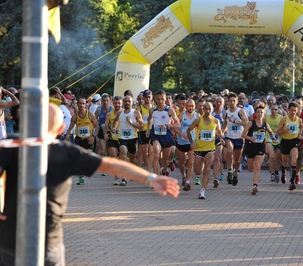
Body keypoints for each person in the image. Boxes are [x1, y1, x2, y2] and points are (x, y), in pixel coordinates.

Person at [0, 103, 180, 266]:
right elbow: (110, 164)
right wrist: (150, 178)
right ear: (61, 128)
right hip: (48, 241)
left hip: (12, 238)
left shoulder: (11, 146)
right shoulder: (66, 152)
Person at [187, 102, 223, 199]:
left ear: (212, 110)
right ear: (203, 110)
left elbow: (219, 132)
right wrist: (191, 141)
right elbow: (188, 130)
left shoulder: (216, 121)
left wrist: (221, 138)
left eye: (209, 109)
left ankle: (202, 190)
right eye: (205, 109)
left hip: (210, 148)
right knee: (198, 171)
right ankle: (198, 171)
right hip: (199, 148)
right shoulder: (198, 120)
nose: (207, 111)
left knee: (207, 169)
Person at [241, 106, 276, 195]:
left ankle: (255, 186)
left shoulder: (265, 124)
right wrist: (250, 138)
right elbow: (243, 135)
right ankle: (254, 176)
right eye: (258, 112)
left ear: (264, 114)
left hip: (260, 147)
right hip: (250, 147)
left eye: (261, 112)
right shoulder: (251, 123)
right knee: (250, 169)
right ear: (255, 114)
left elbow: (271, 132)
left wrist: (273, 138)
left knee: (257, 165)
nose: (259, 114)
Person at [66, 97, 99, 185]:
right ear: (77, 104)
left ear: (86, 105)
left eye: (83, 103)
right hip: (79, 139)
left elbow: (97, 127)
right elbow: (70, 128)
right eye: (80, 103)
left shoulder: (90, 115)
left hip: (88, 139)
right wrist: (68, 134)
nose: (82, 105)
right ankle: (81, 177)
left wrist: (93, 136)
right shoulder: (75, 117)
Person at [146, 90, 180, 176]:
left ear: (165, 99)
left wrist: (168, 125)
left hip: (166, 135)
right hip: (155, 135)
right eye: (158, 99)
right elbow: (149, 119)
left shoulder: (170, 110)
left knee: (165, 159)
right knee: (156, 155)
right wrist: (148, 129)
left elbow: (178, 124)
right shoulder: (152, 110)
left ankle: (164, 171)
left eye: (162, 99)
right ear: (155, 99)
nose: (160, 101)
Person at [113, 95, 144, 185]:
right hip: (122, 138)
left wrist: (131, 123)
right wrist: (114, 127)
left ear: (132, 103)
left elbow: (142, 126)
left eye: (129, 101)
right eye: (125, 101)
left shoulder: (136, 113)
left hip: (133, 138)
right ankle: (124, 178)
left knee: (132, 158)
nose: (127, 103)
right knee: (123, 154)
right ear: (123, 102)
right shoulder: (119, 113)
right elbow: (115, 120)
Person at [276, 101, 303, 191]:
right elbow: (277, 132)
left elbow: (301, 128)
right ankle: (283, 172)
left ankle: (292, 182)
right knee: (284, 162)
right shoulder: (284, 119)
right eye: (291, 110)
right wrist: (285, 131)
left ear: (297, 110)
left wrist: (300, 134)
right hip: (285, 141)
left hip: (294, 141)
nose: (293, 112)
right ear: (288, 110)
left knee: (293, 161)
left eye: (295, 110)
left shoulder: (299, 120)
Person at [222, 92, 248, 186]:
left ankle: (235, 173)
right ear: (228, 102)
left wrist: (235, 122)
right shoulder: (225, 113)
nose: (232, 102)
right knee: (229, 150)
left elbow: (246, 123)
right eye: (230, 101)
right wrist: (221, 132)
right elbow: (225, 126)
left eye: (234, 101)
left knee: (237, 161)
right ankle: (229, 171)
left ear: (236, 101)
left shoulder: (240, 111)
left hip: (239, 137)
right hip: (229, 137)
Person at [173, 98, 198, 191]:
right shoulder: (181, 115)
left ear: (194, 107)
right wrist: (182, 134)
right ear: (185, 106)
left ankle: (188, 181)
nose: (190, 107)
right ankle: (183, 175)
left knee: (191, 162)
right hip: (181, 142)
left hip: (191, 142)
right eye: (188, 106)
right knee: (181, 162)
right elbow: (174, 128)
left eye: (192, 106)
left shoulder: (197, 116)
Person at [103, 96, 123, 185]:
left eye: (119, 103)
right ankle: (116, 177)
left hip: (123, 138)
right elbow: (105, 127)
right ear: (112, 103)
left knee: (123, 158)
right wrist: (105, 133)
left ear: (122, 104)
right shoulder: (109, 114)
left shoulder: (125, 113)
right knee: (114, 157)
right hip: (112, 138)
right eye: (115, 103)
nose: (117, 105)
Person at [138, 89, 154, 171]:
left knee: (151, 152)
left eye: (149, 97)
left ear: (152, 97)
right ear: (143, 98)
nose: (148, 99)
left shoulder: (155, 108)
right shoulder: (139, 108)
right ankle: (149, 167)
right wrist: (141, 120)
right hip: (142, 132)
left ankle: (149, 170)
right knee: (144, 156)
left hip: (152, 131)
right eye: (146, 97)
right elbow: (136, 120)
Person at [212, 96, 225, 181]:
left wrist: (221, 133)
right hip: (212, 138)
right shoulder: (211, 112)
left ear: (223, 103)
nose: (219, 103)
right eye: (217, 102)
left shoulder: (224, 113)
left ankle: (221, 174)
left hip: (220, 138)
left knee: (218, 157)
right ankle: (216, 173)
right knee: (214, 157)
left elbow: (226, 125)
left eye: (220, 102)